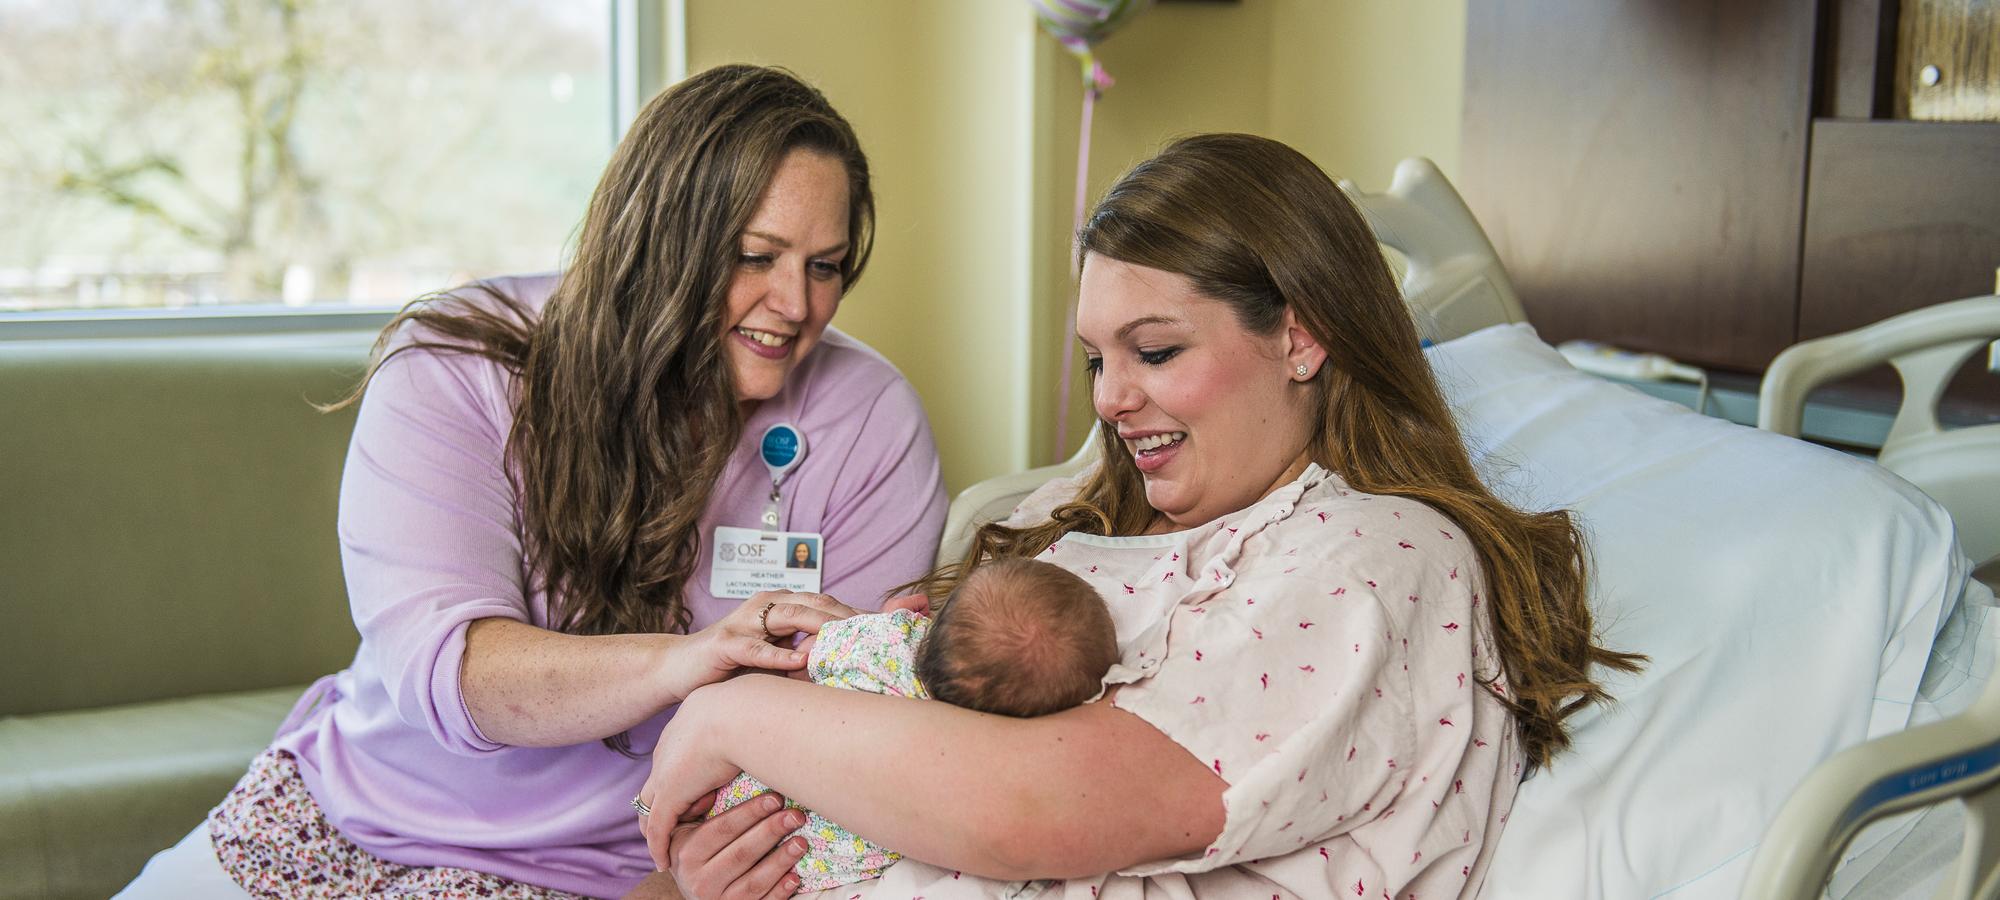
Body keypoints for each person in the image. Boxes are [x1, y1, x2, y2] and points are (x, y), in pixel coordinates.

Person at [629, 133, 1642, 900]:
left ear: (1301, 337)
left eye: (1153, 353)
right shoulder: (1069, 522)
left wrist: (734, 717)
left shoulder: (1370, 557)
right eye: (1097, 359)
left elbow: (1027, 811)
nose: (1109, 400)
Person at [116, 64, 947, 899]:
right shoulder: (457, 363)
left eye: (827, 266)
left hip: (617, 868)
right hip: (360, 810)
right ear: (659, 239)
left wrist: (686, 879)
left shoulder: (869, 421)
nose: (797, 303)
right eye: (754, 256)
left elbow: (845, 719)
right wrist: (686, 661)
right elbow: (456, 673)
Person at [706, 558, 1117, 892]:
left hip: (739, 795)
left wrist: (877, 629)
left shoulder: (887, 638)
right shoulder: (969, 758)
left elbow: (807, 659)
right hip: (796, 863)